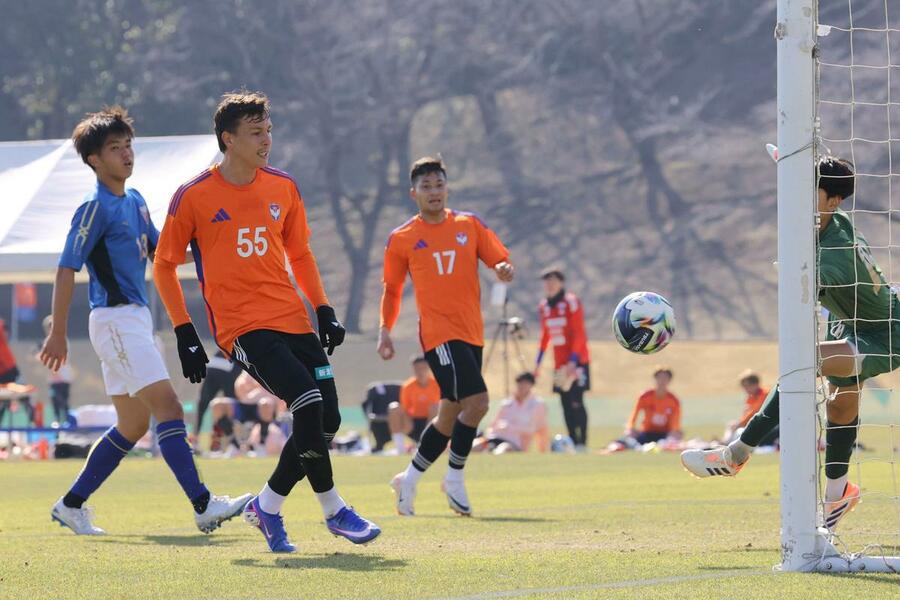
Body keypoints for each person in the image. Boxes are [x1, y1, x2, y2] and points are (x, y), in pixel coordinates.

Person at [152, 90, 380, 553]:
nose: (266, 140)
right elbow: (163, 264)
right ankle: (334, 510)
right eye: (256, 132)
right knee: (307, 401)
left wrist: (323, 309)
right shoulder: (193, 196)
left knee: (328, 419)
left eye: (269, 130)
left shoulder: (283, 186)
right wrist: (184, 331)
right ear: (228, 139)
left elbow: (300, 253)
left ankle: (267, 506)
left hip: (292, 318)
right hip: (241, 327)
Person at [40, 106, 249, 536]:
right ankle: (203, 504)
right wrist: (58, 333)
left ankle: (71, 505)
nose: (126, 154)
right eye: (115, 148)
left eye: (128, 145)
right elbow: (65, 268)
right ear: (94, 159)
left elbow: (163, 255)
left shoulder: (134, 201)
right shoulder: (93, 207)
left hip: (132, 321)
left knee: (133, 425)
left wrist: (213, 245)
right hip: (115, 321)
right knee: (169, 407)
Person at [681, 157, 881, 531]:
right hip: (849, 323)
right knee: (839, 407)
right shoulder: (832, 220)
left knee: (802, 361)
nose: (801, 196)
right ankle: (838, 493)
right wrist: (792, 163)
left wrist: (795, 274)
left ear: (833, 201)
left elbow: (804, 293)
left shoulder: (833, 254)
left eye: (811, 190)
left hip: (884, 333)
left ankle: (737, 452)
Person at [378, 155, 514, 516]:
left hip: (472, 332)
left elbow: (499, 259)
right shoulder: (403, 238)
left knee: (450, 414)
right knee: (478, 403)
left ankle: (408, 479)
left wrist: (503, 269)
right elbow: (392, 289)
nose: (434, 191)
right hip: (439, 335)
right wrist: (385, 330)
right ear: (414, 193)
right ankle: (454, 478)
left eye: (439, 184)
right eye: (426, 186)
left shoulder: (469, 225)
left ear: (447, 188)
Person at [535, 268, 591, 449]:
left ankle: (582, 443)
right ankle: (572, 441)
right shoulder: (544, 306)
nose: (550, 285)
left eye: (554, 280)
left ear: (561, 283)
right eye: (547, 281)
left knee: (576, 401)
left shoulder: (571, 302)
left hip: (577, 362)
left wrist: (573, 361)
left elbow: (579, 333)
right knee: (565, 403)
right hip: (559, 365)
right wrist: (537, 363)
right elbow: (545, 336)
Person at [475, 372, 548, 453]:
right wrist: (489, 434)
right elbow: (493, 424)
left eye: (525, 383)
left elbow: (537, 429)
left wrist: (509, 427)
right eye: (520, 383)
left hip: (514, 443)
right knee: (475, 446)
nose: (522, 386)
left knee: (502, 449)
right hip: (495, 437)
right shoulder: (507, 403)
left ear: (531, 385)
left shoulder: (537, 404)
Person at [387, 355, 441, 453]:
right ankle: (400, 449)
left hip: (432, 423)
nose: (420, 372)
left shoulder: (437, 384)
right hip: (411, 424)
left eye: (423, 368)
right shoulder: (407, 386)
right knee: (393, 407)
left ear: (429, 368)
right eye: (417, 369)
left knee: (436, 407)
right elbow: (405, 409)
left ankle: (428, 444)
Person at [620, 367, 682, 447]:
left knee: (675, 438)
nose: (662, 381)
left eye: (665, 378)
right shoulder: (645, 396)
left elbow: (676, 422)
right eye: (659, 377)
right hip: (647, 432)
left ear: (669, 380)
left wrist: (674, 431)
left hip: (665, 433)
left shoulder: (673, 400)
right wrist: (630, 428)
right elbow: (634, 414)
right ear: (655, 379)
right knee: (628, 440)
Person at [194, 350, 242, 436]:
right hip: (225, 366)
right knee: (232, 405)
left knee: (204, 404)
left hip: (216, 365)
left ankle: (197, 433)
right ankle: (230, 435)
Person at [36, 316, 74, 425]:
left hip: (63, 378)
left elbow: (62, 358)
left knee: (64, 402)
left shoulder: (63, 340)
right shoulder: (46, 342)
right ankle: (57, 423)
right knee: (54, 402)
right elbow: (44, 359)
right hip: (53, 379)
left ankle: (68, 423)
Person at [721, 370, 773, 445]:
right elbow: (746, 413)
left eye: (747, 386)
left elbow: (754, 412)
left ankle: (724, 443)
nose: (745, 389)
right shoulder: (751, 397)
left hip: (766, 427)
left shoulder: (765, 394)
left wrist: (739, 424)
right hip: (754, 425)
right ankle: (724, 442)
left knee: (739, 432)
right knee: (732, 425)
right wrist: (739, 423)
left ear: (756, 384)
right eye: (743, 386)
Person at [361, 381, 402, 453]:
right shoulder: (374, 391)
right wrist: (368, 416)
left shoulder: (404, 389)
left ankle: (402, 448)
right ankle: (380, 445)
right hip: (378, 420)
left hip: (400, 417)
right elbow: (365, 404)